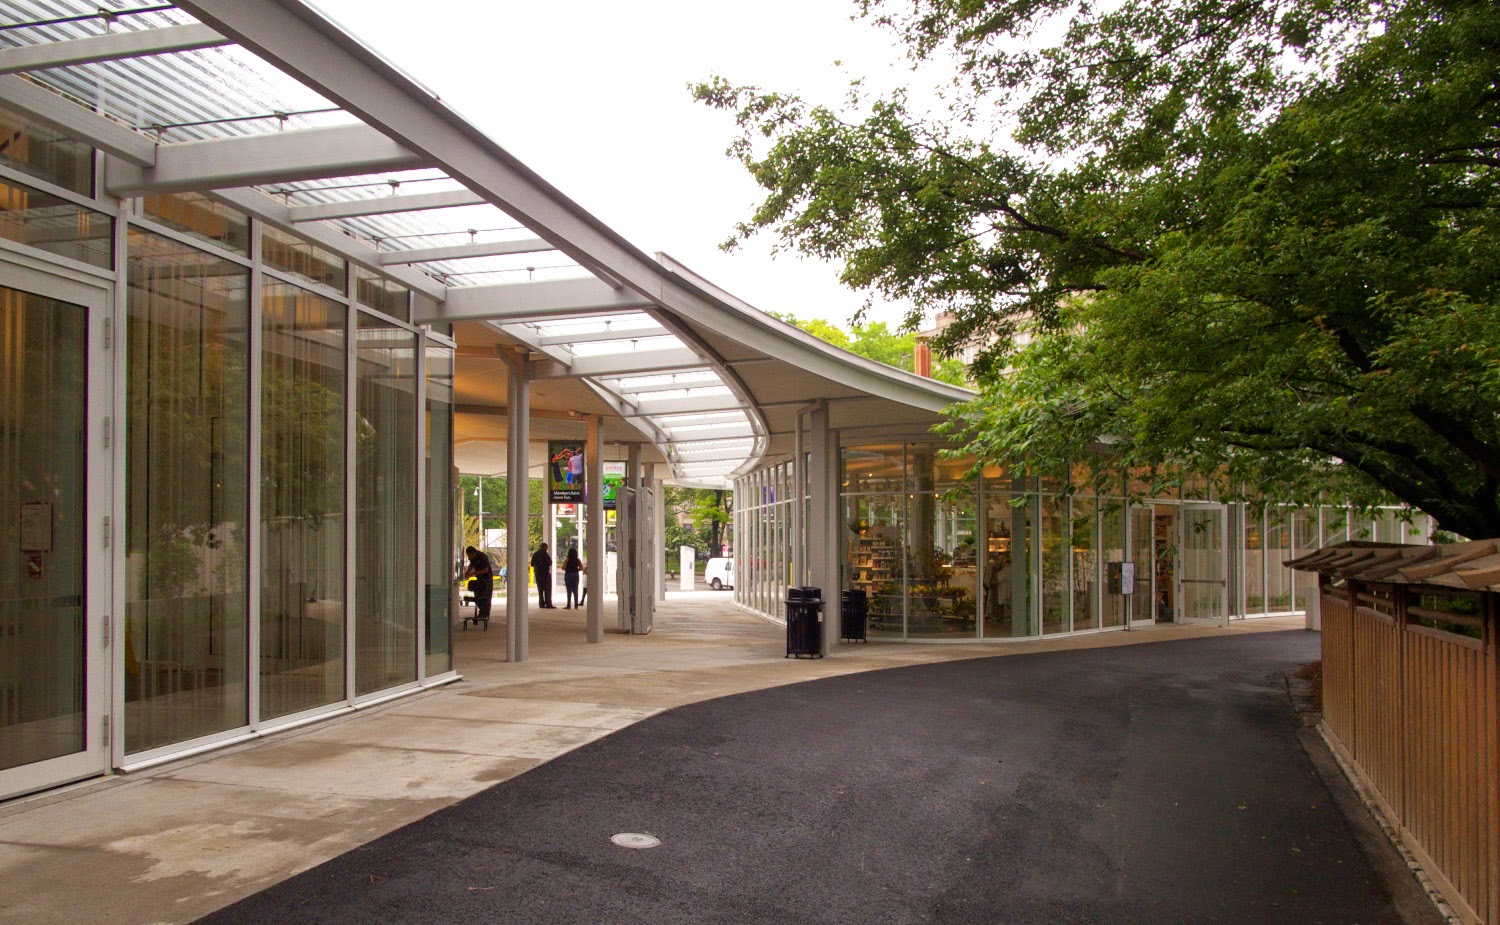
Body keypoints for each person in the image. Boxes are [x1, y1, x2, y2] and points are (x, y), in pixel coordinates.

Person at [463, 546, 493, 625]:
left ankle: (485, 613)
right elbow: (471, 564)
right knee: (478, 595)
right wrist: (467, 571)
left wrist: (473, 573)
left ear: (474, 553)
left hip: (486, 579)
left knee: (486, 595)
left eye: (470, 556)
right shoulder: (473, 558)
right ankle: (481, 611)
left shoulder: (482, 557)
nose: (469, 558)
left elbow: (485, 570)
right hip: (479, 579)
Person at [531, 543, 554, 608]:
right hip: (545, 573)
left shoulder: (535, 554)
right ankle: (548, 603)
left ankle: (541, 603)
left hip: (538, 573)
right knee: (547, 589)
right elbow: (550, 563)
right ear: (545, 547)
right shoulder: (545, 554)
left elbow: (532, 564)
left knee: (540, 589)